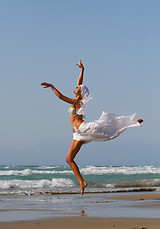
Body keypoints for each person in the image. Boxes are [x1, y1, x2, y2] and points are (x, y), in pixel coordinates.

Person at [41, 60, 143, 196]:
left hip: (83, 129)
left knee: (107, 128)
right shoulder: (78, 98)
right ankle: (82, 182)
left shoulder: (77, 102)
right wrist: (82, 69)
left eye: (78, 88)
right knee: (69, 159)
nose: (75, 87)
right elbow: (80, 82)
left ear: (81, 93)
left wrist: (52, 86)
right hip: (78, 134)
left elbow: (61, 97)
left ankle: (131, 122)